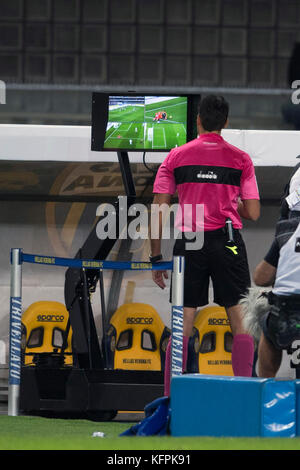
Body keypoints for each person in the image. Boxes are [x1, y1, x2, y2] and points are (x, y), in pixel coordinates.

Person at [149, 94, 260, 396]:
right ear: (225, 122)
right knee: (239, 319)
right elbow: (253, 212)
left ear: (198, 120)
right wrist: (228, 203)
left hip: (190, 242)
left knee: (183, 320)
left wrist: (155, 256)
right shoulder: (241, 159)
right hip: (228, 242)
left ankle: (171, 400)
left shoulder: (175, 157)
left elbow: (159, 208)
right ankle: (245, 398)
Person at [253, 177, 300, 378]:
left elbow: (260, 278)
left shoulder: (286, 229)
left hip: (285, 316)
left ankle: (266, 391)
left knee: (268, 328)